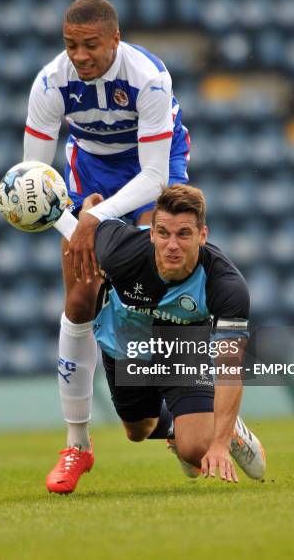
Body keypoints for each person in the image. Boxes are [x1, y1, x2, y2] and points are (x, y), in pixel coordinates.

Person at [23, 0, 190, 493]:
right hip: (88, 173)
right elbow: (36, 181)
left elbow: (156, 175)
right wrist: (72, 225)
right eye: (71, 45)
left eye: (90, 45)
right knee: (79, 300)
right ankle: (77, 446)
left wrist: (95, 216)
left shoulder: (148, 78)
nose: (79, 55)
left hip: (150, 172)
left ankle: (193, 417)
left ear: (115, 39)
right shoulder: (51, 82)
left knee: (153, 297)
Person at [52, 185, 266, 487]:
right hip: (127, 339)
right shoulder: (119, 250)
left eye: (184, 234)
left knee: (197, 451)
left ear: (202, 235)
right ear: (151, 233)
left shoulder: (225, 284)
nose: (172, 245)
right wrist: (86, 214)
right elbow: (82, 232)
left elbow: (230, 368)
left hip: (182, 339)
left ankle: (227, 430)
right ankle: (179, 427)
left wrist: (218, 444)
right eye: (163, 233)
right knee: (138, 431)